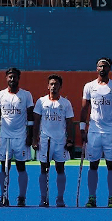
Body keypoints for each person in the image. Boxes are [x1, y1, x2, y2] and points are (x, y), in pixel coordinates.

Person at [80, 58, 112, 208]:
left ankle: (111, 198)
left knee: (111, 165)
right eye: (100, 66)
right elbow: (84, 109)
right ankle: (91, 197)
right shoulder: (89, 86)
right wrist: (82, 129)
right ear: (96, 68)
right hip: (93, 131)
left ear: (109, 68)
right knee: (93, 165)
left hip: (110, 131)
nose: (102, 68)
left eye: (105, 66)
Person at [0, 68, 35, 206]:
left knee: (21, 167)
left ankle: (21, 197)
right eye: (10, 77)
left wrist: (30, 135)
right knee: (4, 167)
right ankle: (3, 196)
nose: (12, 79)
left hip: (21, 137)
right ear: (6, 78)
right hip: (5, 137)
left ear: (18, 78)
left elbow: (30, 117)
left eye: (15, 77)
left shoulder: (26, 95)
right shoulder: (0, 95)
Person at [32, 74, 74, 207]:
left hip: (60, 141)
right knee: (43, 169)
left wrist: (70, 140)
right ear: (47, 86)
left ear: (60, 87)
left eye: (56, 84)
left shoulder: (66, 103)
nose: (53, 87)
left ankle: (60, 198)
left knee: (60, 168)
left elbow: (70, 123)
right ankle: (43, 198)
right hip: (45, 140)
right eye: (51, 84)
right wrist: (34, 139)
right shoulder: (41, 102)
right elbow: (36, 121)